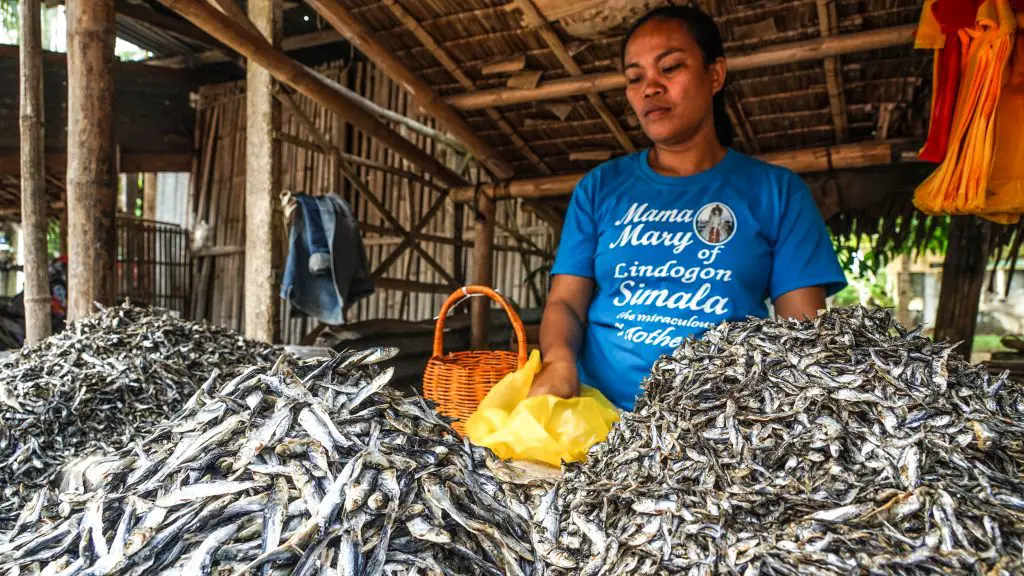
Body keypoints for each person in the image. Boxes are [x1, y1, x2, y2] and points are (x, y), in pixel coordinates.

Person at [528, 5, 847, 410]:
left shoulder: (777, 192)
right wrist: (558, 359)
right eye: (634, 78)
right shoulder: (600, 188)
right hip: (597, 416)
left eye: (671, 67)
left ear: (715, 75)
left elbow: (800, 336)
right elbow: (566, 303)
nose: (650, 88)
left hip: (721, 427)